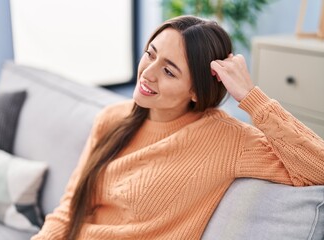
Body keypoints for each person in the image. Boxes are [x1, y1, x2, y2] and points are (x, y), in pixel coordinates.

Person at [32, 15, 324, 240]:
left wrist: (251, 97)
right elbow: (69, 210)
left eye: (169, 70)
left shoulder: (226, 140)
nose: (147, 72)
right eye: (150, 54)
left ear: (195, 91)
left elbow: (318, 167)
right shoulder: (111, 119)